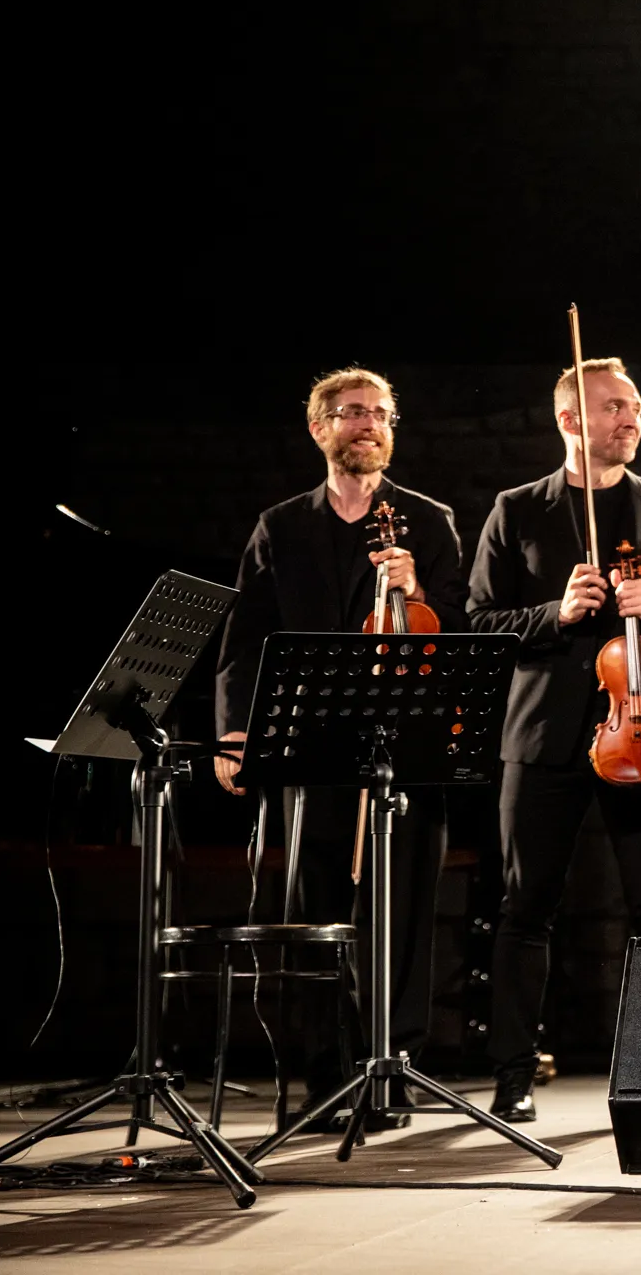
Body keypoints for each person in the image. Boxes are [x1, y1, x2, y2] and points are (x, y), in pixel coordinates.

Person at [468, 356, 641, 1122]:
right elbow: (479, 621)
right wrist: (554, 613)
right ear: (571, 420)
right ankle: (513, 1075)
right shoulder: (519, 509)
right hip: (547, 733)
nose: (632, 420)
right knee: (526, 908)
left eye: (637, 408)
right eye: (615, 408)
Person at [214, 366, 468, 1130]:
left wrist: (415, 589)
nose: (368, 425)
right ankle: (323, 1073)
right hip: (311, 746)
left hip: (404, 746)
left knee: (402, 912)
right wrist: (234, 733)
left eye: (380, 413)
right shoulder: (281, 526)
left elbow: (457, 626)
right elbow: (244, 640)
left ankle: (392, 1071)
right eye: (351, 413)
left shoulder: (428, 520)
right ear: (319, 428)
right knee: (314, 905)